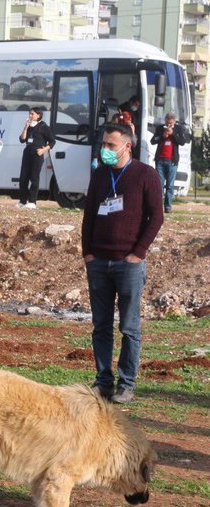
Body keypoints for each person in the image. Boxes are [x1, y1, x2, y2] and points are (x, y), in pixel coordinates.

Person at [82, 122, 164, 405]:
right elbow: (89, 215)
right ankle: (103, 381)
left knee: (129, 327)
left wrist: (138, 253)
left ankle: (126, 383)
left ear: (127, 146)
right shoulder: (100, 174)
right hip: (99, 262)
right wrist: (88, 253)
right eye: (103, 144)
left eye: (110, 145)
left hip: (128, 263)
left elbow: (157, 217)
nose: (105, 150)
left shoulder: (146, 175)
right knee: (100, 326)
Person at [150, 112, 189, 213]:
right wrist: (163, 136)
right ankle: (157, 207)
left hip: (172, 161)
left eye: (171, 123)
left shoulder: (179, 128)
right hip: (160, 161)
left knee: (170, 186)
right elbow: (153, 141)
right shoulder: (160, 128)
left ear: (174, 122)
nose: (168, 125)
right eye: (167, 123)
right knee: (159, 184)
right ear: (165, 121)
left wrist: (173, 134)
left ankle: (168, 207)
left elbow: (182, 142)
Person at [17, 106, 55, 209]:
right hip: (27, 153)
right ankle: (22, 201)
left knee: (34, 178)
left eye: (32, 114)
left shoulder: (43, 127)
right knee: (23, 178)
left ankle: (32, 201)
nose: (30, 115)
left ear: (38, 115)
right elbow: (22, 139)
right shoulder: (29, 125)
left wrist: (44, 150)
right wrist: (25, 127)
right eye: (29, 113)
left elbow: (52, 141)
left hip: (37, 154)